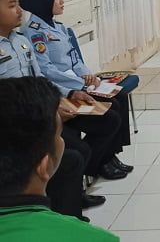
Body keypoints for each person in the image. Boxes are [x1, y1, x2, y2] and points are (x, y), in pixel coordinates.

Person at [0, 0, 105, 220]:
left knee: (78, 150)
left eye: (18, 5)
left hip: (37, 116)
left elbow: (40, 80)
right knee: (71, 157)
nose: (20, 11)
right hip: (12, 128)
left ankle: (69, 208)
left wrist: (65, 97)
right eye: (12, 5)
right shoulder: (31, 34)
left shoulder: (20, 41)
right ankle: (63, 214)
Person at [18, 0, 133, 181]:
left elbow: (74, 59)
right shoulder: (34, 32)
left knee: (120, 97)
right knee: (111, 111)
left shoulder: (59, 27)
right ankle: (97, 163)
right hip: (63, 89)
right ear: (42, 2)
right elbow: (46, 70)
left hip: (77, 83)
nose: (62, 1)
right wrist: (79, 83)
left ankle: (109, 155)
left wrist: (88, 76)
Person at [0, 77, 118, 241]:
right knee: (75, 156)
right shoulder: (96, 238)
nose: (61, 140)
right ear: (43, 165)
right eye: (58, 136)